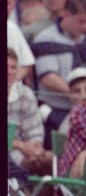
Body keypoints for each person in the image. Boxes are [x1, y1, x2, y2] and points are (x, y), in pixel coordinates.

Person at [32, 0, 86, 150]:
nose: (85, 27)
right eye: (81, 21)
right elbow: (48, 78)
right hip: (55, 112)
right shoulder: (46, 39)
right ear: (66, 14)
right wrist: (79, 95)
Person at [7, 48, 53, 182]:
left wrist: (35, 149)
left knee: (49, 161)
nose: (9, 72)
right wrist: (21, 146)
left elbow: (34, 131)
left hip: (22, 153)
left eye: (13, 67)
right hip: (12, 153)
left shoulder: (26, 94)